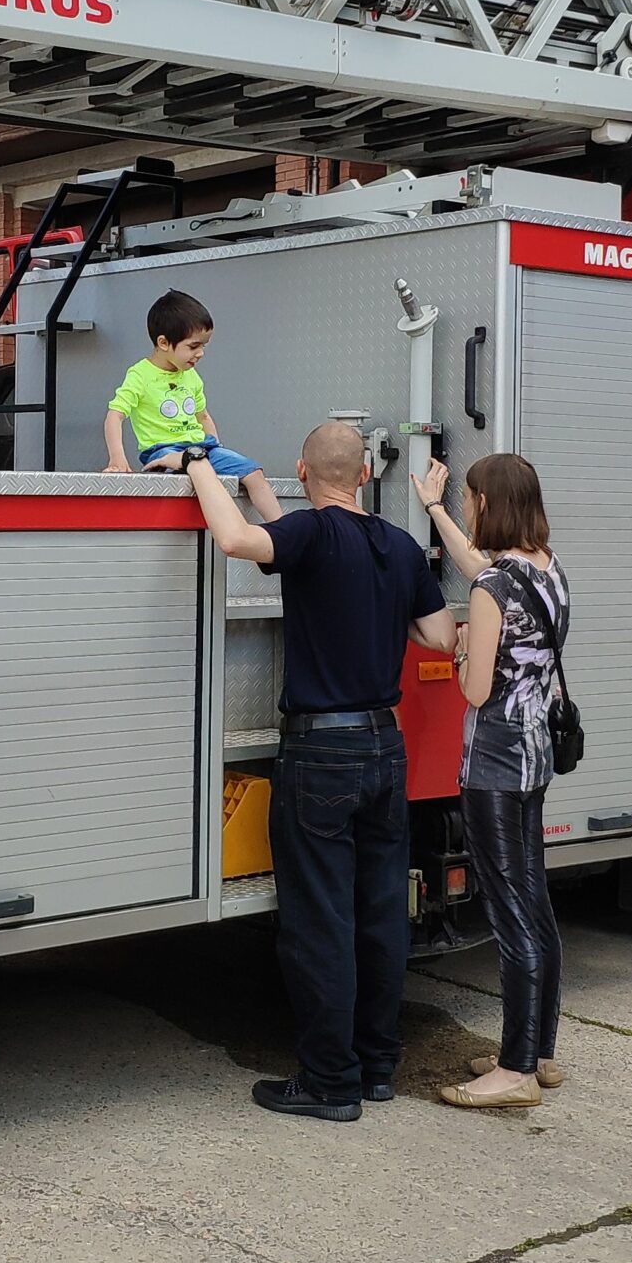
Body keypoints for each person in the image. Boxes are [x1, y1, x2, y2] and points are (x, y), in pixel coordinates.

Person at [188, 422, 456, 1120]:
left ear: (303, 471)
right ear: (366, 475)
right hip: (384, 750)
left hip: (320, 754)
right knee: (377, 913)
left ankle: (329, 1082)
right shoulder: (397, 546)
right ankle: (374, 1068)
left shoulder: (309, 534)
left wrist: (197, 470)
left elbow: (238, 540)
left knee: (319, 922)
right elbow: (439, 637)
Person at [415, 453, 570, 1110]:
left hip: (495, 767)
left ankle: (513, 1073)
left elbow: (475, 690)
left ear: (489, 502)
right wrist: (434, 511)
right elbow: (485, 571)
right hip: (535, 757)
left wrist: (459, 655)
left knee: (511, 916)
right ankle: (539, 1051)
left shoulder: (491, 592)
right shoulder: (546, 569)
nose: (470, 507)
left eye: (471, 499)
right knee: (535, 902)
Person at [105, 290, 283, 524]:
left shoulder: (191, 377)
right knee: (187, 477)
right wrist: (118, 459)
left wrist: (217, 448)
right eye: (193, 346)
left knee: (253, 474)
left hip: (200, 449)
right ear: (163, 343)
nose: (200, 353)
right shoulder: (140, 375)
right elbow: (115, 416)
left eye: (204, 346)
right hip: (164, 451)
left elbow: (203, 416)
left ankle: (283, 530)